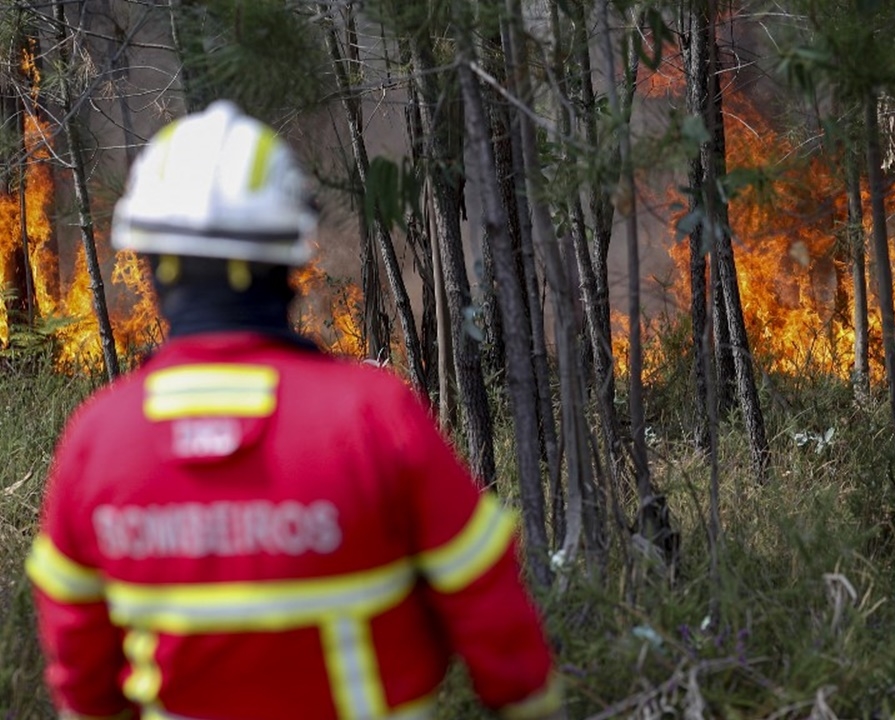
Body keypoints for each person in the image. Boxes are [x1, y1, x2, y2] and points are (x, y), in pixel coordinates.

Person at [25, 101, 566, 720]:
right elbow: (490, 606)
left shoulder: (100, 438)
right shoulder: (373, 417)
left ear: (146, 262)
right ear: (291, 260)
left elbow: (78, 658)